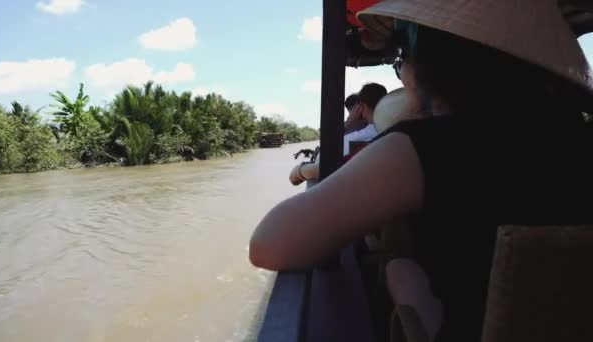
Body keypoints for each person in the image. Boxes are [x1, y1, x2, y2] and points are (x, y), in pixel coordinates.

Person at [250, 0, 593, 340]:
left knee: (401, 268)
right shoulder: (579, 139)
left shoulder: (425, 147)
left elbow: (268, 244)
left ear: (432, 64)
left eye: (402, 57)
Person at [289, 83, 390, 185]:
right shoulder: (393, 131)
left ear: (361, 107)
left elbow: (326, 156)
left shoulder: (355, 139)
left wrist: (348, 122)